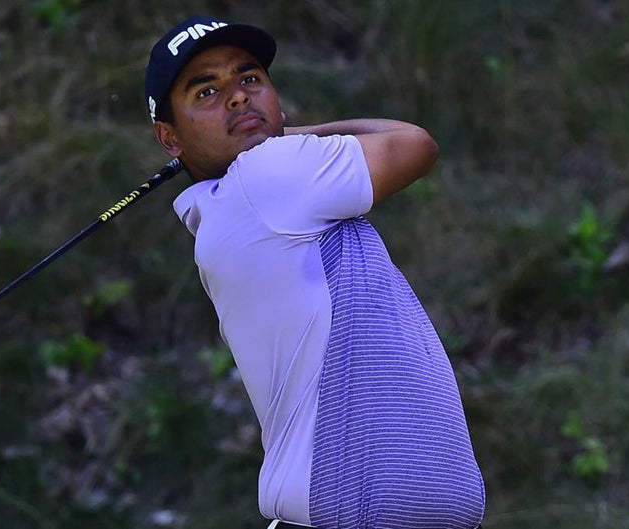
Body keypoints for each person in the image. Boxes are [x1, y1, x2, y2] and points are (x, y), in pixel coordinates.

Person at [144, 16, 485, 529]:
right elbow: (414, 144)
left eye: (249, 78)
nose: (238, 97)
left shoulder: (237, 201)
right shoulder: (267, 177)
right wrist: (281, 135)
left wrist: (273, 135)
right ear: (170, 137)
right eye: (207, 91)